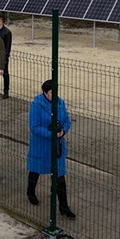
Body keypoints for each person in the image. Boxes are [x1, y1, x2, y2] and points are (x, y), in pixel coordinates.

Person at [26, 79, 75, 219]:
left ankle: (63, 206)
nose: (54, 95)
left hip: (57, 146)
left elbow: (67, 121)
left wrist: (63, 131)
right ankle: (30, 192)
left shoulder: (60, 103)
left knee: (60, 176)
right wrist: (51, 134)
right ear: (44, 92)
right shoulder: (37, 104)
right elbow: (34, 127)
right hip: (41, 145)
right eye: (51, 93)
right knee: (36, 170)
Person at [0, 14, 12, 99]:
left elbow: (8, 46)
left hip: (2, 56)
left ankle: (6, 91)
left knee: (5, 74)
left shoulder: (7, 32)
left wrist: (5, 57)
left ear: (0, 21)